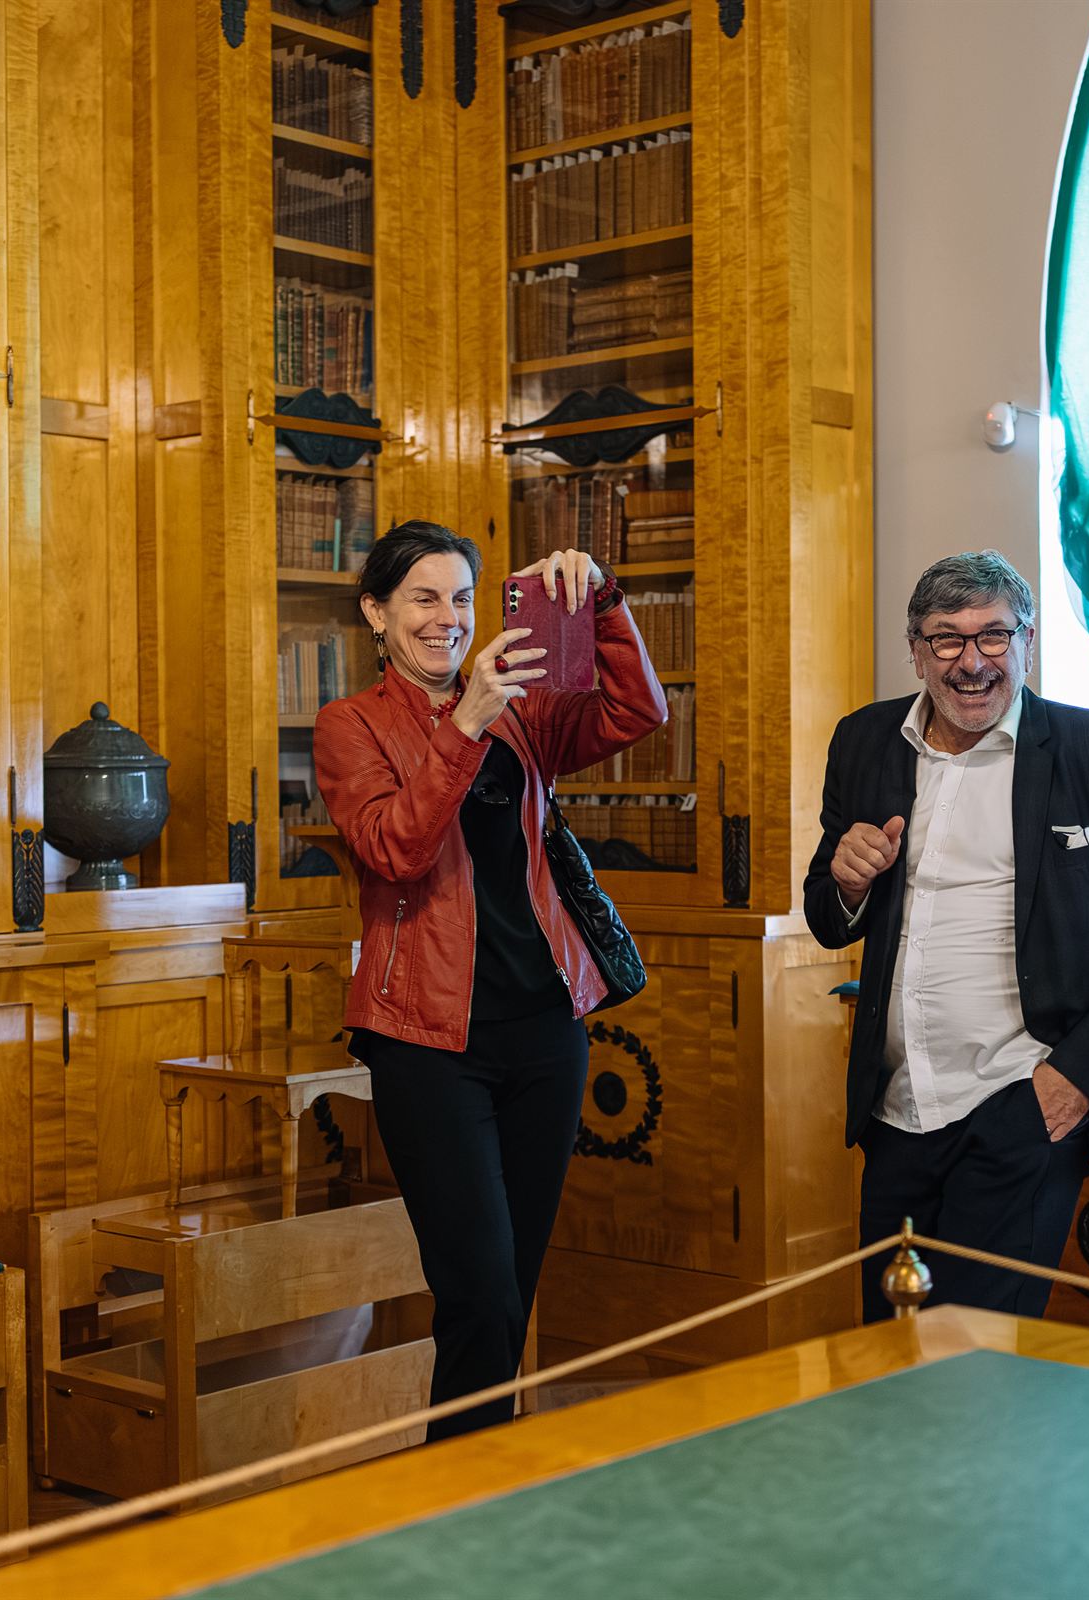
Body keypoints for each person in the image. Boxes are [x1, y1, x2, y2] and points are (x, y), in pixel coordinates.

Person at [314, 520, 667, 1437]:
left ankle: (478, 1480)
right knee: (478, 1292)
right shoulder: (351, 726)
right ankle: (466, 1488)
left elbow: (636, 712)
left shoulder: (523, 709)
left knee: (512, 1286)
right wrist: (463, 722)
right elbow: (396, 849)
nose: (449, 618)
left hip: (546, 1033)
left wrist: (603, 602)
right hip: (427, 1044)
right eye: (423, 598)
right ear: (376, 613)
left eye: (463, 598)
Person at [803, 549, 1089, 1322]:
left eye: (994, 635)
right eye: (947, 638)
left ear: (1028, 641)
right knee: (891, 1342)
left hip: (1022, 1106)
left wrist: (1076, 1079)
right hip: (896, 1109)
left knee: (975, 1357)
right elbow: (827, 914)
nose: (972, 661)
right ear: (916, 650)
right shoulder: (864, 741)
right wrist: (848, 884)